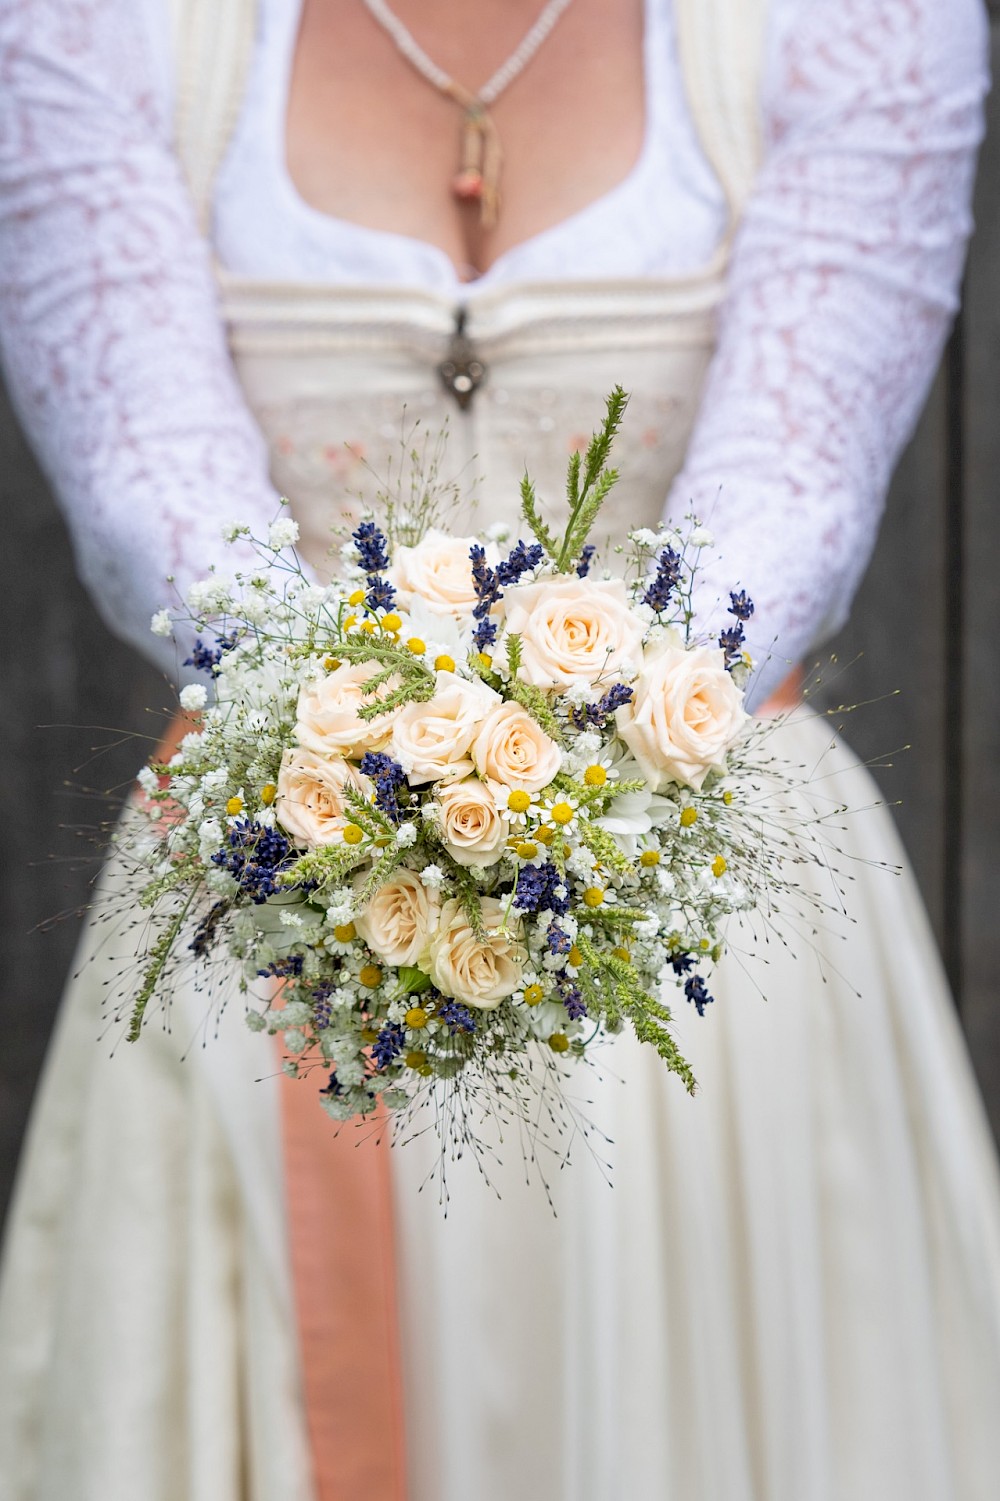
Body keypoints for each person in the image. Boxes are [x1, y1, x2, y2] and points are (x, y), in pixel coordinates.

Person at [1, 1, 999, 1497]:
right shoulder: (102, 26)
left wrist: (559, 770)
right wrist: (380, 768)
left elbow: (794, 493)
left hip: (705, 945)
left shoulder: (856, 21)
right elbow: (158, 492)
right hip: (277, 893)